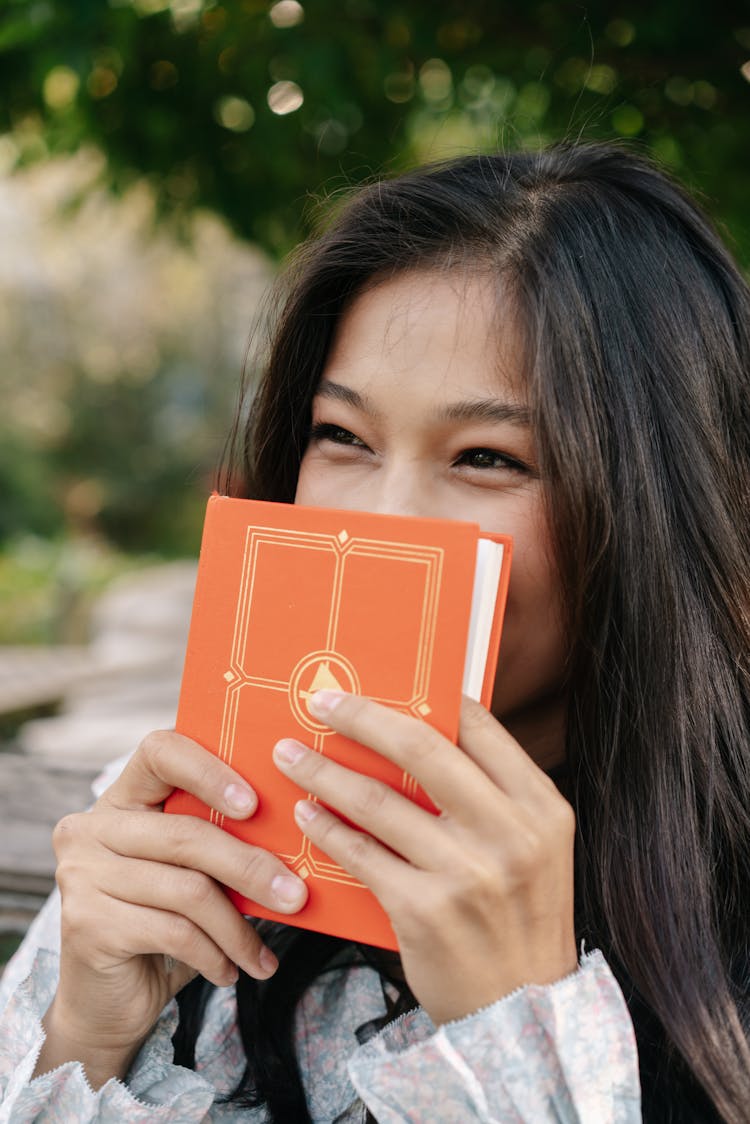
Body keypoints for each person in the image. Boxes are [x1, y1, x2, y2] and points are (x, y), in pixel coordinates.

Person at [1, 140, 749, 1123]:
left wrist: (514, 1043)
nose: (383, 525)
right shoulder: (178, 824)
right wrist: (82, 1039)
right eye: (342, 436)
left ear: (657, 507)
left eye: (487, 456)